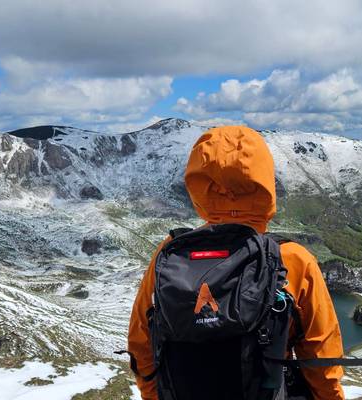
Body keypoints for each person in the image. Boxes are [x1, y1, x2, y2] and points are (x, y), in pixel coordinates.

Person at [127, 125, 345, 400]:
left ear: (198, 185)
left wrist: (153, 396)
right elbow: (321, 355)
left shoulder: (169, 254)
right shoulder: (292, 259)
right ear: (265, 181)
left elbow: (142, 342)